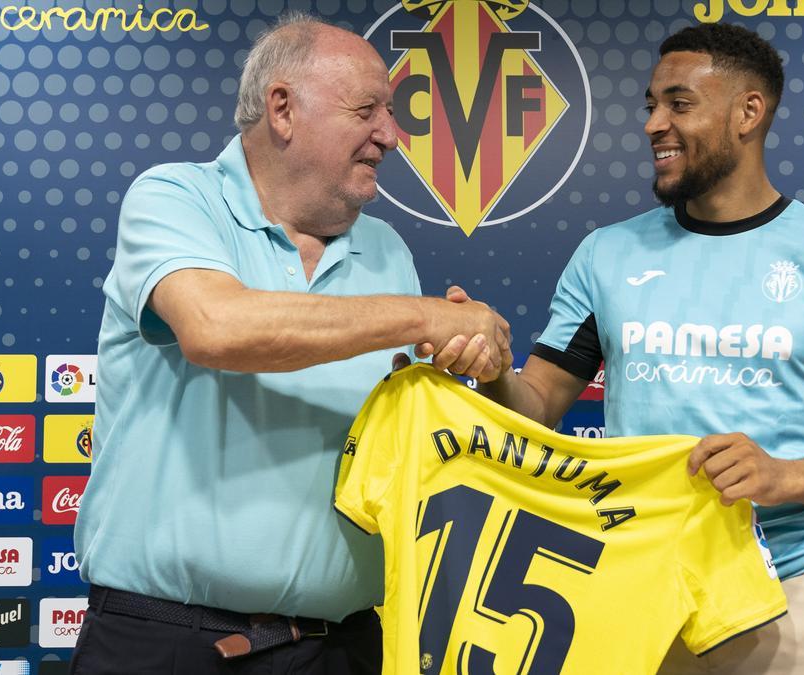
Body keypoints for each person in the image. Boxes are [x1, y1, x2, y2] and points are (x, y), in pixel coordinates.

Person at [449, 22, 804, 675]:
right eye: (651, 106)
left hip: (797, 595)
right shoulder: (607, 255)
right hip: (637, 589)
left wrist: (788, 475)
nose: (654, 124)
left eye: (679, 104)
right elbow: (537, 403)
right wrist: (492, 374)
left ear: (749, 112)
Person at [72, 14, 510, 675]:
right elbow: (217, 328)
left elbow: (408, 438)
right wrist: (423, 319)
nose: (391, 136)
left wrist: (470, 359)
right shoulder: (174, 197)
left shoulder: (387, 249)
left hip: (340, 646)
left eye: (390, 113)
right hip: (165, 644)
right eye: (368, 110)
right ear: (282, 109)